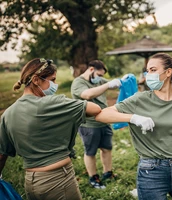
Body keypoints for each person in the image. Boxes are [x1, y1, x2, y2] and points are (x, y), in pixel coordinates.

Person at [95, 53, 172, 200]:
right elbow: (101, 115)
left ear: (168, 72)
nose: (148, 75)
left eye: (153, 70)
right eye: (147, 71)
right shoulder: (140, 99)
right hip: (151, 172)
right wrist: (133, 118)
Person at [0, 58, 102, 200]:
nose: (55, 84)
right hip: (58, 179)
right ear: (36, 80)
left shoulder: (8, 114)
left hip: (31, 182)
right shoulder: (52, 103)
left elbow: (2, 155)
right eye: (52, 80)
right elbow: (95, 109)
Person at [71, 60, 122, 189]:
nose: (100, 78)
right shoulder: (79, 82)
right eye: (99, 75)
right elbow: (87, 94)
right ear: (91, 69)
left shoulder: (98, 80)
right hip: (89, 124)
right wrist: (108, 84)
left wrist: (123, 80)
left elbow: (112, 85)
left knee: (107, 148)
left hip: (104, 120)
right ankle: (93, 177)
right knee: (90, 151)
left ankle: (107, 173)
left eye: (102, 76)